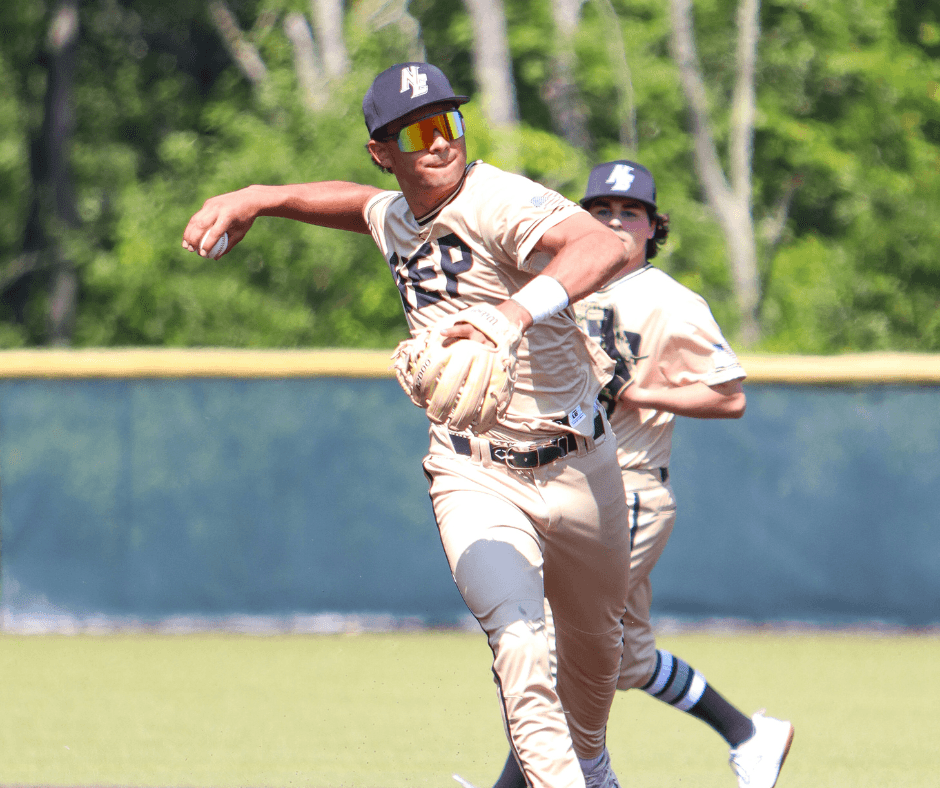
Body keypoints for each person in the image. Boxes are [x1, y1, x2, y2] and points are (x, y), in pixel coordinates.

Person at [183, 63, 638, 788]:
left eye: (449, 122)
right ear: (382, 151)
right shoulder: (398, 216)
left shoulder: (499, 201)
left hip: (582, 464)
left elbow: (603, 247)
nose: (439, 142)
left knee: (593, 672)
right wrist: (260, 198)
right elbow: (357, 205)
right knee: (518, 643)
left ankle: (592, 768)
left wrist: (508, 316)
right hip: (474, 470)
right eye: (417, 131)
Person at [484, 160, 794, 788]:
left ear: (654, 227)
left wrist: (643, 389)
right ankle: (750, 734)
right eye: (600, 211)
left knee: (555, 648)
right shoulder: (557, 284)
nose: (615, 221)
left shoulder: (673, 302)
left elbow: (728, 396)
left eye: (630, 213)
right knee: (627, 661)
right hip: (569, 485)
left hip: (627, 488)